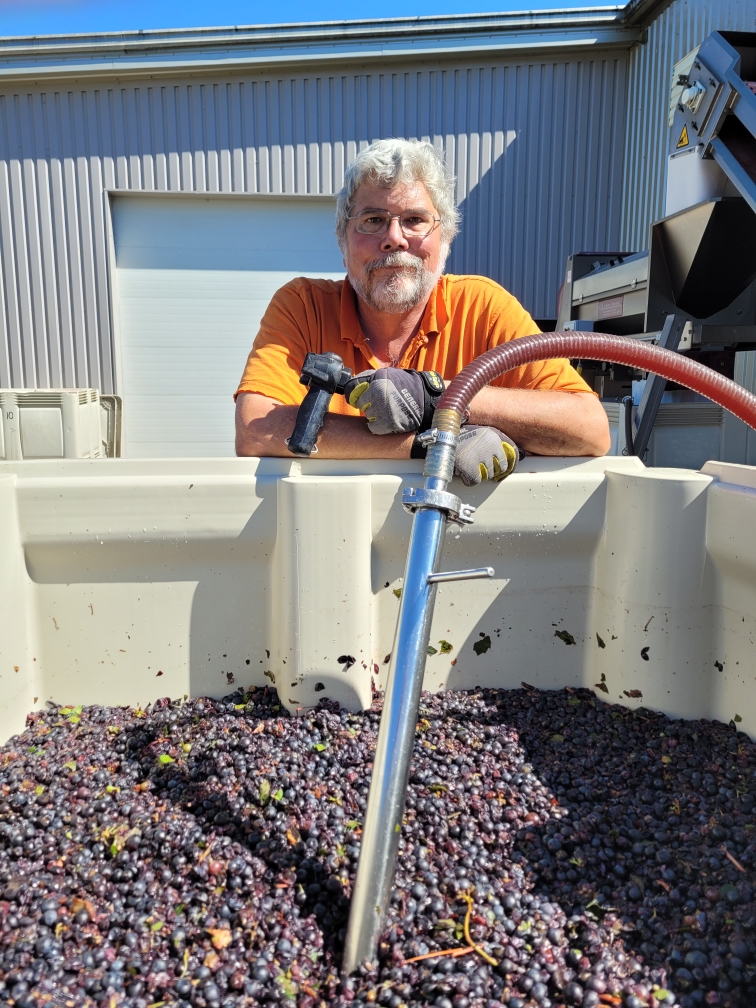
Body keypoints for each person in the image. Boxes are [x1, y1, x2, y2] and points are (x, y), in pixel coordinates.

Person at [235, 139, 610, 484]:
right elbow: (256, 429)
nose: (394, 238)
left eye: (414, 220)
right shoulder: (302, 306)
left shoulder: (484, 308)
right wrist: (436, 443)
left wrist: (437, 397)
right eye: (373, 219)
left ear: (444, 238)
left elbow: (589, 428)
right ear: (342, 239)